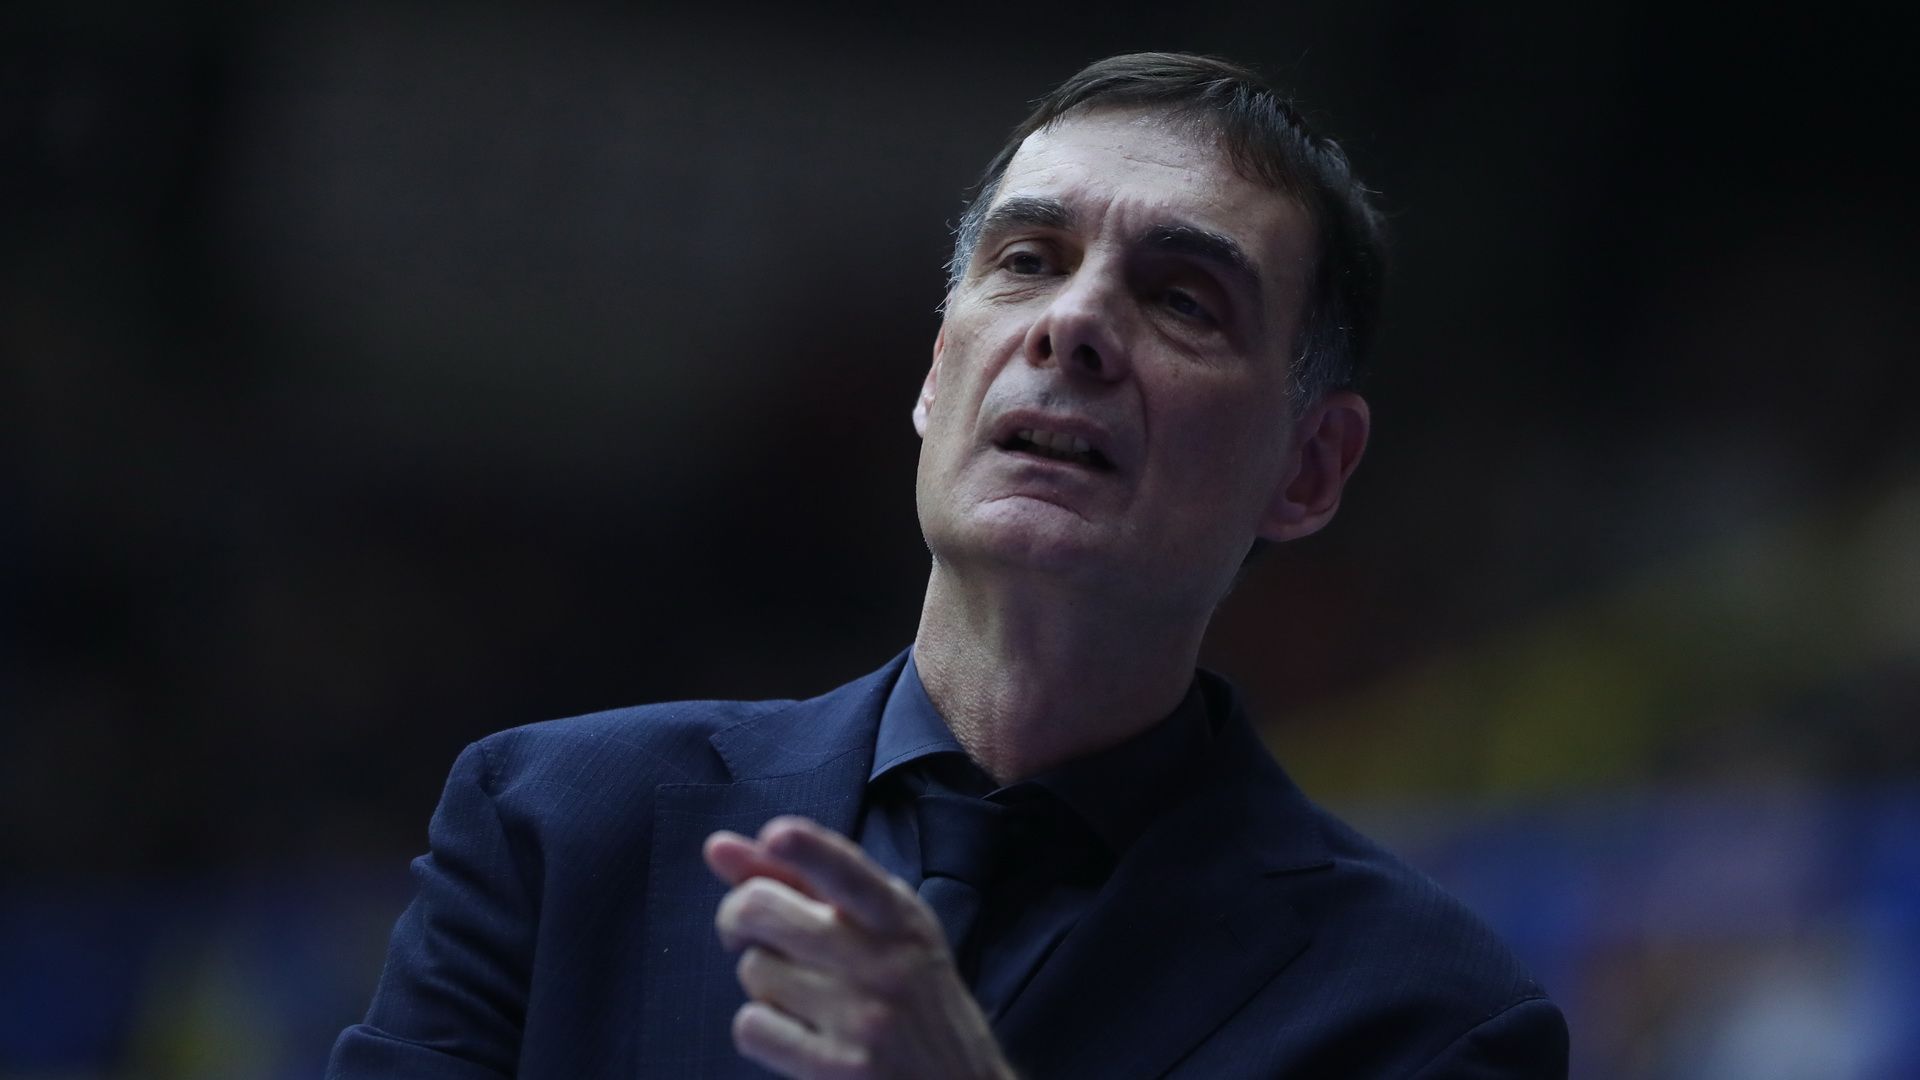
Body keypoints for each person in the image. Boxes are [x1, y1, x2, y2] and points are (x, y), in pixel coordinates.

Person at [329, 52, 1570, 1078]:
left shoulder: (1430, 1021)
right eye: (1027, 260)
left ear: (1310, 467)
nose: (1072, 323)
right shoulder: (557, 829)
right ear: (937, 376)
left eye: (1183, 300)